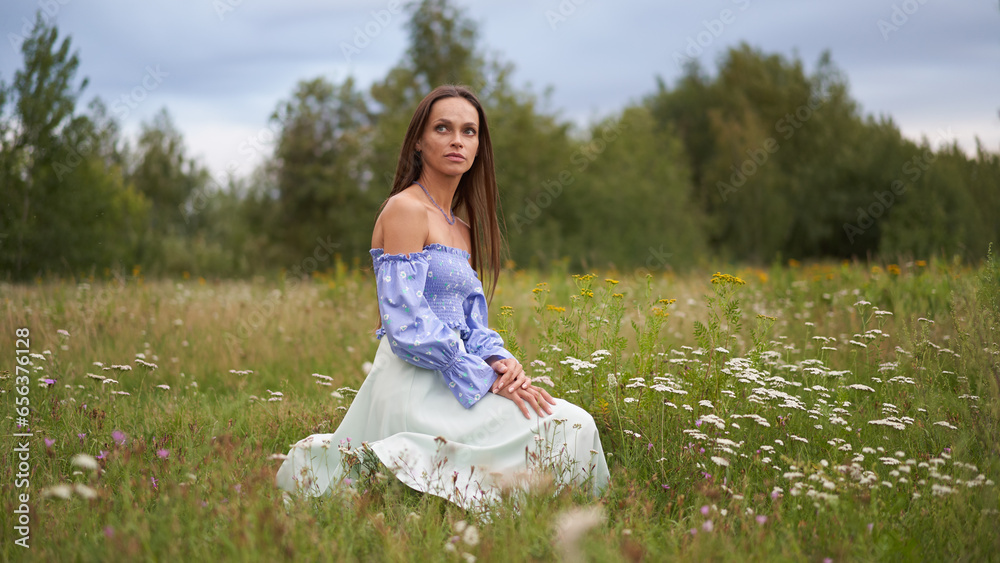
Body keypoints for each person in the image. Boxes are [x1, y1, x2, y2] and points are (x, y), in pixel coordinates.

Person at [275, 85, 610, 511]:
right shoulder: (406, 210)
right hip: (416, 381)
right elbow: (406, 324)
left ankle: (554, 519)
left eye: (469, 132)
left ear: (477, 147)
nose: (457, 140)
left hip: (458, 375)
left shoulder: (462, 229)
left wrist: (501, 362)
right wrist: (483, 379)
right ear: (418, 141)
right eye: (443, 128)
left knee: (573, 422)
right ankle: (491, 509)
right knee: (567, 424)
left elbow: (471, 322)